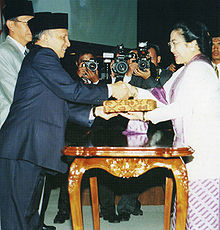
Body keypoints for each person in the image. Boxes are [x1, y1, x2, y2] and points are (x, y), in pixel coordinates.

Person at [0, 12, 135, 230]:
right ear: (44, 38)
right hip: (22, 147)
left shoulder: (39, 58)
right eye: (63, 37)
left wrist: (96, 112)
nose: (68, 43)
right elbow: (72, 91)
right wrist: (111, 88)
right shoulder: (43, 56)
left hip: (29, 148)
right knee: (17, 218)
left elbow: (57, 103)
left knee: (28, 214)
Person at [102, 20, 220, 229]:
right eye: (170, 43)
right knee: (185, 212)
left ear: (192, 43)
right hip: (189, 152)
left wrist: (144, 115)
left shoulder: (201, 69)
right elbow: (161, 95)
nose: (171, 48)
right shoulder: (186, 69)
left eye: (175, 43)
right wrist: (133, 92)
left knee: (200, 219)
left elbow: (180, 108)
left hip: (205, 156)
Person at [0, 1, 34, 128]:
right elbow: (15, 94)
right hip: (10, 127)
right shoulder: (3, 52)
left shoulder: (30, 54)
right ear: (11, 25)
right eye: (26, 22)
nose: (32, 27)